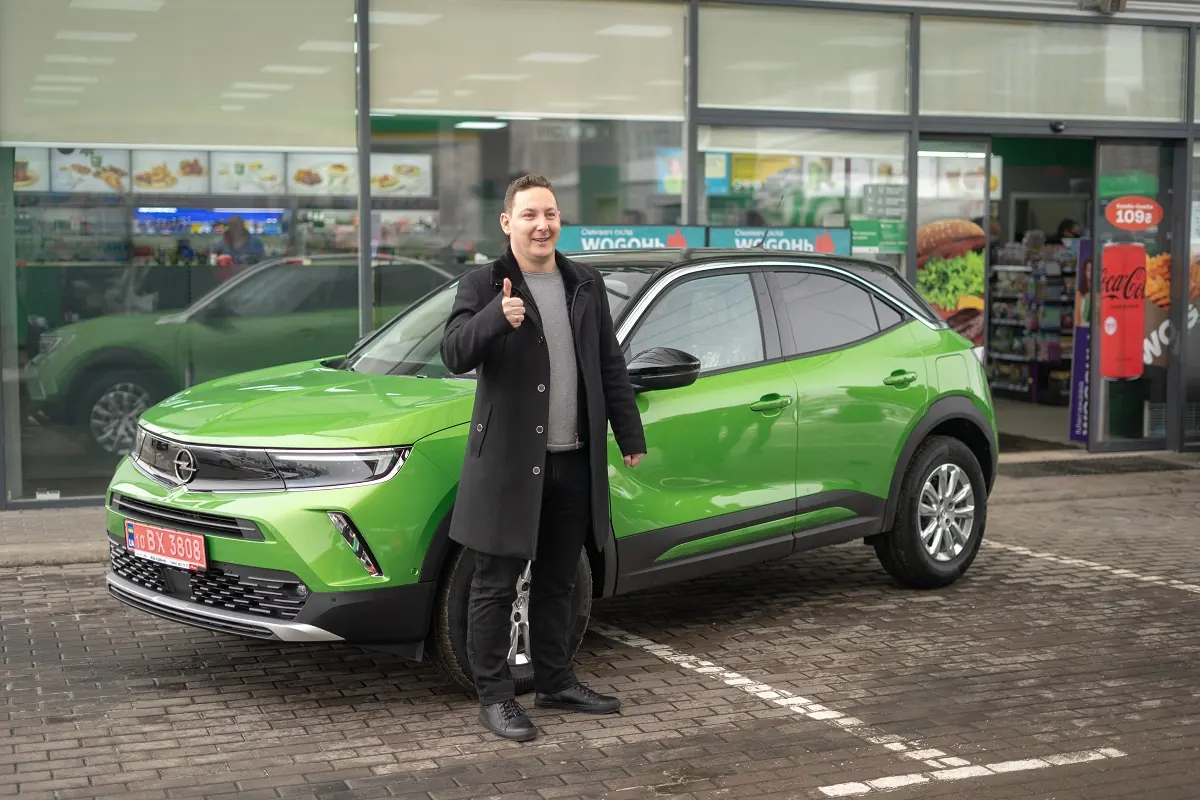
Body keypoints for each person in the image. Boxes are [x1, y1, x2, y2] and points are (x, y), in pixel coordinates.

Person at [440, 174, 647, 742]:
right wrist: (494, 318)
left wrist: (629, 434)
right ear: (507, 222)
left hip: (573, 459)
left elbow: (608, 363)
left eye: (550, 214)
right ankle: (495, 697)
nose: (542, 225)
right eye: (529, 215)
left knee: (558, 581)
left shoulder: (584, 283)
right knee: (495, 584)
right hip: (508, 465)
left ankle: (556, 682)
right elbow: (453, 353)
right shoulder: (483, 284)